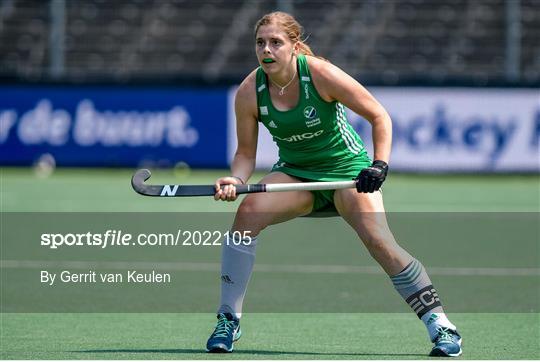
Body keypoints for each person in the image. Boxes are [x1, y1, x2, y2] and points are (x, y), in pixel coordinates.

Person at [205, 11, 462, 357]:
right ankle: (227, 320)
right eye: (260, 42)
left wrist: (379, 164)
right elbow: (246, 154)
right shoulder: (250, 91)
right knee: (247, 213)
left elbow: (378, 115)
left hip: (347, 173)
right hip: (297, 174)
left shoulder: (321, 74)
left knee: (378, 240)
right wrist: (235, 179)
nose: (266, 49)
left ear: (294, 46)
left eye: (275, 43)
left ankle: (442, 326)